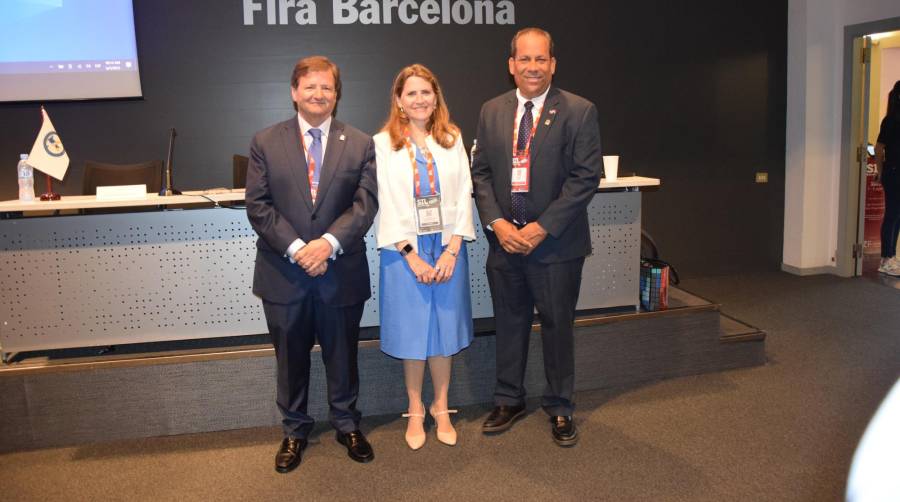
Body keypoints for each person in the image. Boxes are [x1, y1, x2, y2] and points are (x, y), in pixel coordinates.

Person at [245, 55, 378, 473]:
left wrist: (328, 244)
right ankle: (295, 430)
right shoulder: (266, 141)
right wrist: (301, 248)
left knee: (343, 356)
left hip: (340, 270)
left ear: (336, 95)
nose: (319, 94)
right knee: (291, 359)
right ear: (294, 92)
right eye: (311, 86)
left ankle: (346, 423)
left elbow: (365, 205)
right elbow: (258, 206)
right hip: (285, 272)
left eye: (327, 87)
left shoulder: (359, 142)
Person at [471, 27, 602, 446]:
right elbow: (482, 174)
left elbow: (585, 179)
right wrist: (499, 224)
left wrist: (541, 226)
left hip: (556, 245)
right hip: (505, 243)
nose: (532, 67)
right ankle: (509, 399)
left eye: (540, 59)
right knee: (509, 324)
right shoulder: (491, 111)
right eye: (524, 59)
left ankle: (561, 406)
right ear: (511, 66)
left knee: (557, 326)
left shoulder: (579, 111)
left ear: (553, 64)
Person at [374, 64, 476, 450]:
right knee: (413, 329)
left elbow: (465, 191)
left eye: (426, 92)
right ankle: (415, 409)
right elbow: (383, 200)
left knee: (444, 330)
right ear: (399, 100)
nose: (419, 99)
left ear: (436, 97)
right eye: (411, 93)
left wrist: (453, 249)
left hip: (447, 244)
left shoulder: (452, 137)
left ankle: (441, 407)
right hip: (404, 250)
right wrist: (410, 255)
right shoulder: (383, 143)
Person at [875, 80, 900, 276]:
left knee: (897, 215)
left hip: (893, 172)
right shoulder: (890, 120)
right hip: (893, 172)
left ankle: (890, 256)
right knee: (892, 214)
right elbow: (879, 147)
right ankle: (885, 258)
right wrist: (881, 170)